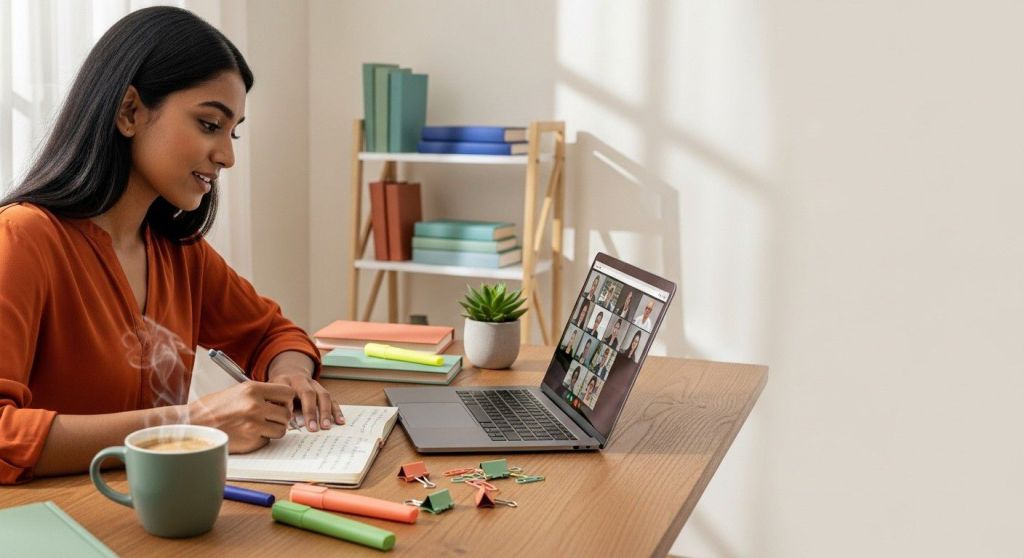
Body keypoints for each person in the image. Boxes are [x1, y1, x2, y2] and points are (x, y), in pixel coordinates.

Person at [0, 7, 342, 485]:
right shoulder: (22, 239)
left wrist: (291, 378)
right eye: (209, 124)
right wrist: (187, 423)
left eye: (233, 130)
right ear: (130, 111)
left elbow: (273, 333)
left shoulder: (178, 252)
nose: (227, 155)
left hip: (156, 519)